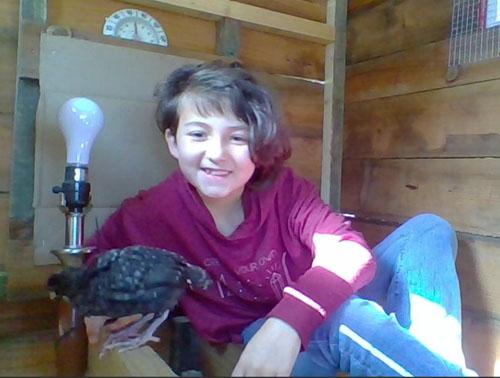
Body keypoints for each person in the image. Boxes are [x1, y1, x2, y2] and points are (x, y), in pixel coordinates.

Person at [83, 61, 476, 376]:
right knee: (346, 319)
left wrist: (290, 319)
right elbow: (94, 260)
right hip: (262, 346)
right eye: (198, 134)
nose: (217, 153)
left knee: (428, 230)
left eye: (237, 138)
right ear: (172, 141)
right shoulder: (152, 211)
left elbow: (349, 252)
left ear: (257, 145)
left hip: (312, 309)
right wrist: (105, 302)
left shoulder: (283, 189)